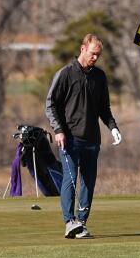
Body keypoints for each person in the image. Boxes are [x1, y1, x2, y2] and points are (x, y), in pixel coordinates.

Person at [45, 33, 122, 239]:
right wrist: (58, 130)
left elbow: (104, 109)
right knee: (70, 180)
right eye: (92, 54)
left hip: (92, 140)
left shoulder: (99, 77)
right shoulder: (66, 74)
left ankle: (81, 222)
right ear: (82, 49)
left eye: (98, 55)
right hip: (69, 138)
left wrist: (113, 127)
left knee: (89, 182)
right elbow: (51, 104)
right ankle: (69, 221)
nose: (95, 58)